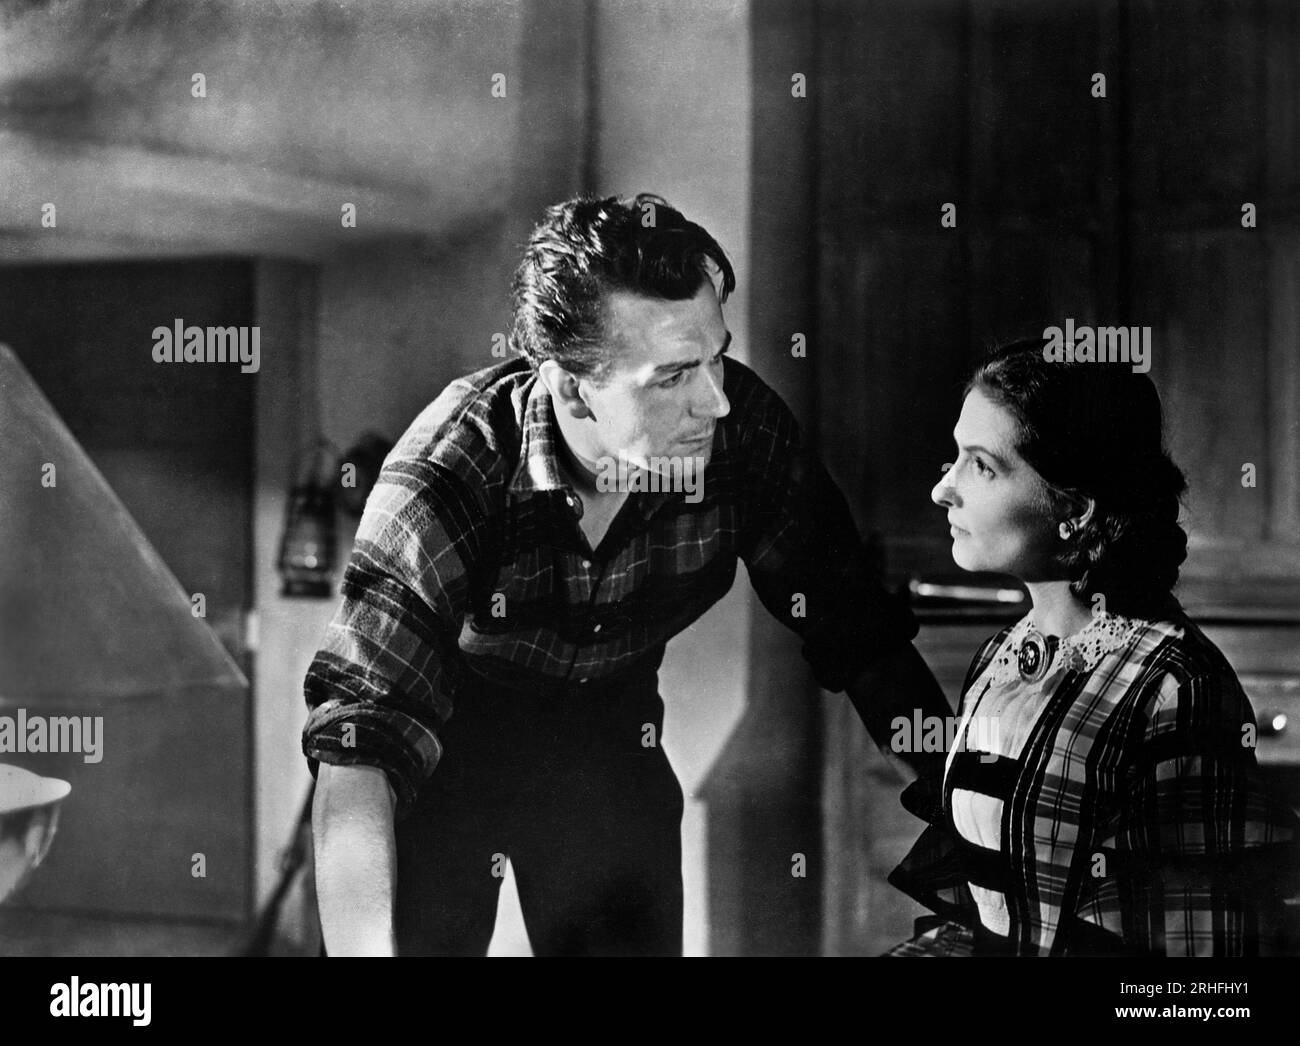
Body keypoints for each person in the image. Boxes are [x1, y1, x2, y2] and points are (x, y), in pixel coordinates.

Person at [301, 193, 951, 956]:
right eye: (673, 375)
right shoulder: (451, 468)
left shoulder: (743, 435)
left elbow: (862, 637)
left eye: (717, 357)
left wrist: (968, 810)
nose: (713, 401)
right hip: (447, 740)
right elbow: (361, 741)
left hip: (610, 733)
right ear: (572, 386)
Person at [889, 339, 1300, 956]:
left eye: (980, 465)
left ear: (1074, 509)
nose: (942, 491)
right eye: (955, 458)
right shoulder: (1003, 658)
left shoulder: (1174, 686)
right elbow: (986, 909)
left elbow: (1201, 963)